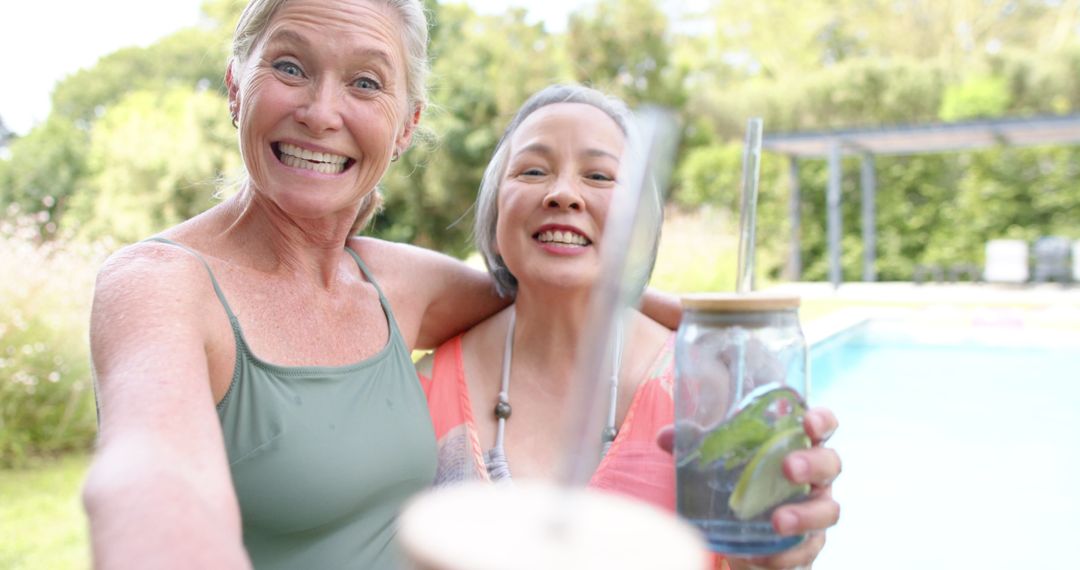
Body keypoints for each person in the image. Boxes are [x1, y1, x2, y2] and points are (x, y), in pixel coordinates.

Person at [81, 1, 515, 568]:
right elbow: (148, 476)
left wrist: (671, 322)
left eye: (365, 82)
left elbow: (546, 297)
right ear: (236, 87)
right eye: (290, 67)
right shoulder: (159, 284)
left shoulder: (393, 282)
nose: (320, 112)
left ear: (406, 125)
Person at [418, 84, 842, 570]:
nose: (562, 194)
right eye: (533, 170)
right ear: (495, 207)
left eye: (599, 175)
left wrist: (774, 562)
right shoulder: (422, 391)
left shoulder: (718, 390)